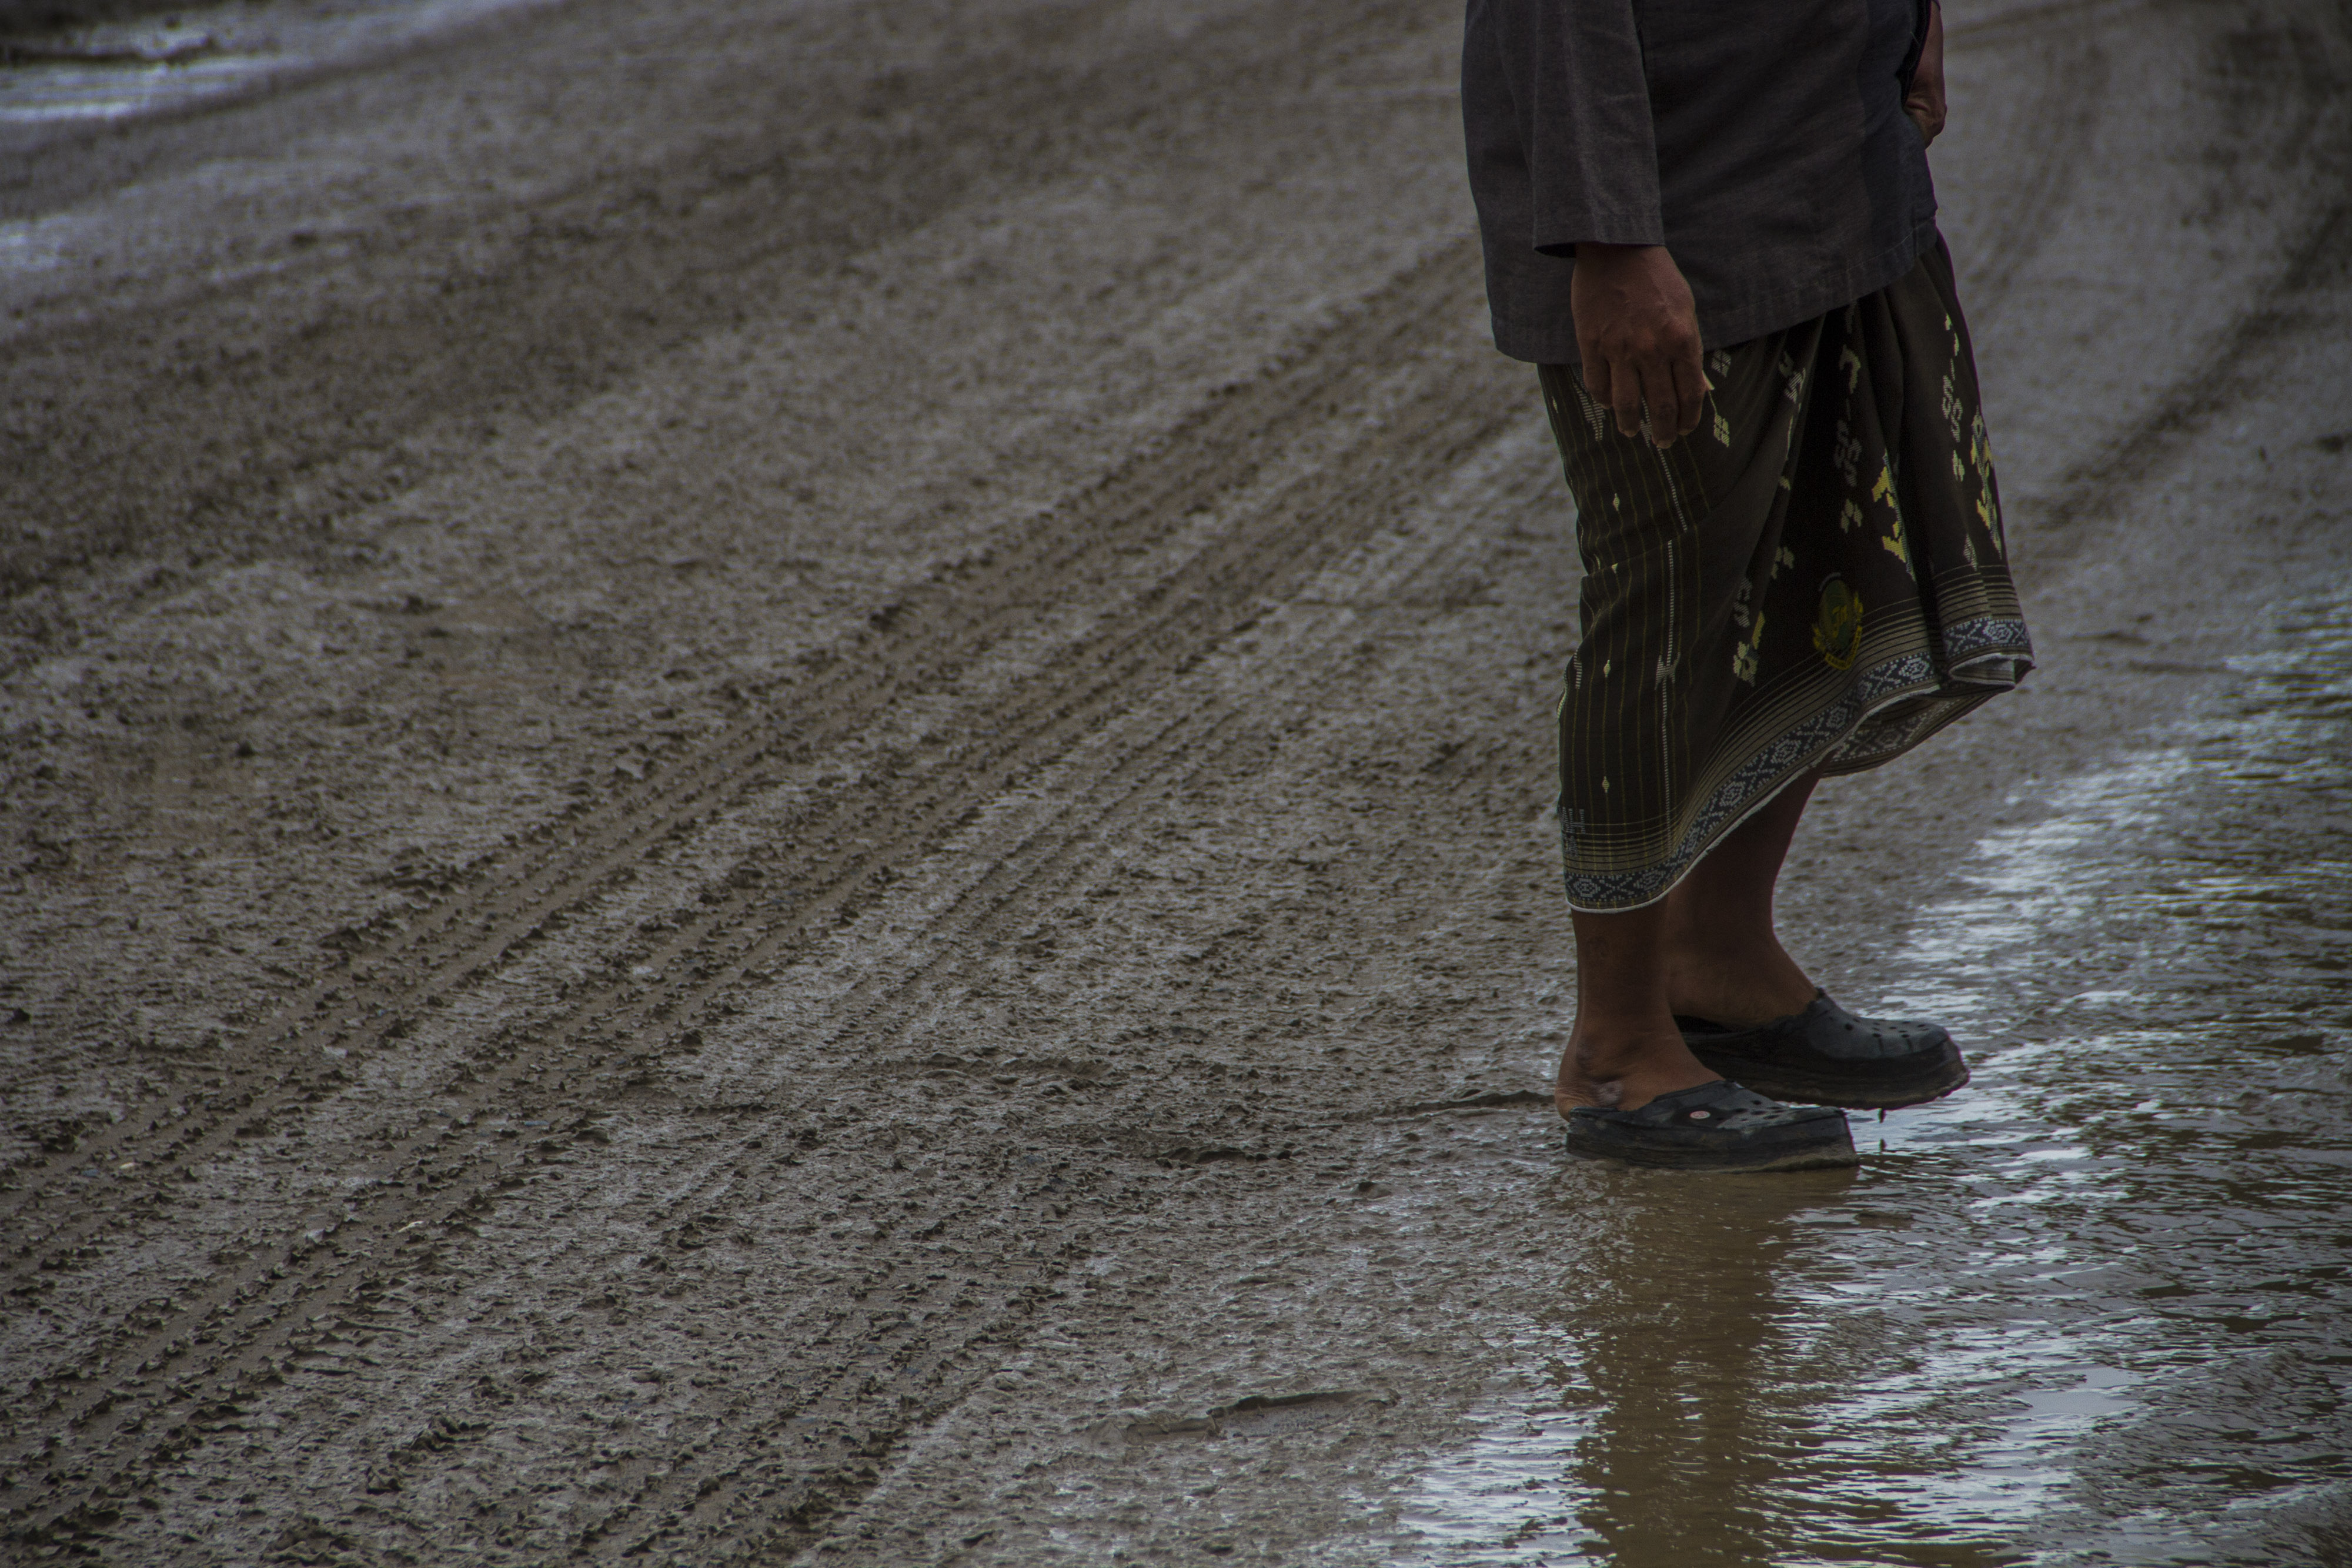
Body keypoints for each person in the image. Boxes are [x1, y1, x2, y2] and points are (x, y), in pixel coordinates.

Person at [1461, 0, 2033, 1170]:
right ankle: (1615, 1047)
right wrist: (1607, 234)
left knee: (1825, 542)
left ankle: (1720, 957)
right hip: (1684, 193)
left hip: (1833, 154)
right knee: (1670, 593)